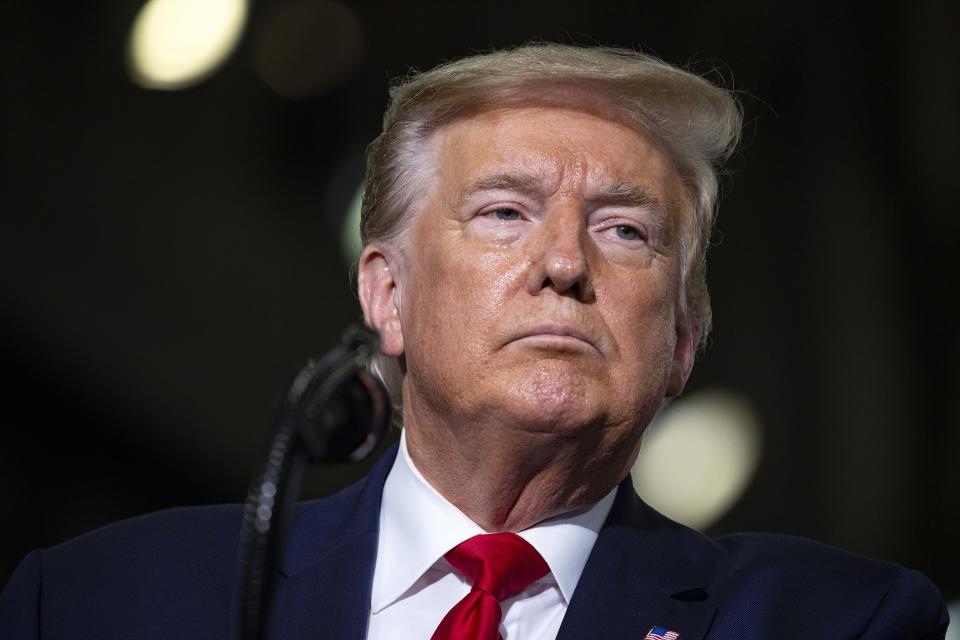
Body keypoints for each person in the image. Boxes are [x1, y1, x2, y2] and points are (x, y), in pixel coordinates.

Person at [0, 44, 949, 640]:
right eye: (504, 212)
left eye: (626, 231)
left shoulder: (836, 621)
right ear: (388, 294)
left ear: (685, 341)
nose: (564, 265)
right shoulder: (99, 603)